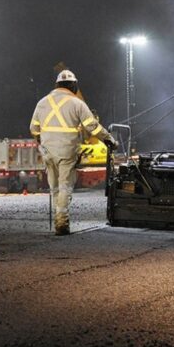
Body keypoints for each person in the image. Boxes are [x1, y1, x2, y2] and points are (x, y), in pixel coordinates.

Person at [29, 70, 116, 235]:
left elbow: (33, 129)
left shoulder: (42, 103)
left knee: (54, 188)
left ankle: (58, 218)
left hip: (48, 153)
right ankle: (62, 223)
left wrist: (44, 141)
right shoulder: (77, 104)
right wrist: (109, 139)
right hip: (67, 152)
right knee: (64, 188)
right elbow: (93, 126)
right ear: (73, 85)